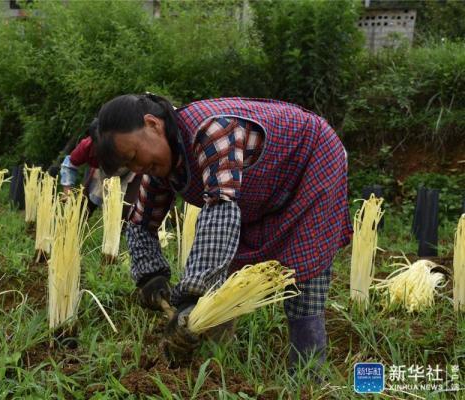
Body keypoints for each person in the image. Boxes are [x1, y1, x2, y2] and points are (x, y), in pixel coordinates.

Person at [94, 94, 352, 374]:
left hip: (312, 161)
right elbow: (141, 222)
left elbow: (220, 212)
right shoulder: (157, 162)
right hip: (265, 190)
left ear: (152, 124)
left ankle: (308, 374)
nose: (138, 168)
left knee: (304, 275)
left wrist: (192, 296)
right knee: (230, 275)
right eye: (130, 166)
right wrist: (150, 276)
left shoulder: (211, 130)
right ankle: (209, 368)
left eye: (134, 157)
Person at [60, 119, 141, 219]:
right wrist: (67, 191)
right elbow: (70, 164)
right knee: (81, 207)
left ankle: (118, 231)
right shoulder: (87, 146)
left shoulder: (128, 144)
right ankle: (70, 230)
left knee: (123, 212)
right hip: (100, 172)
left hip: (129, 174)